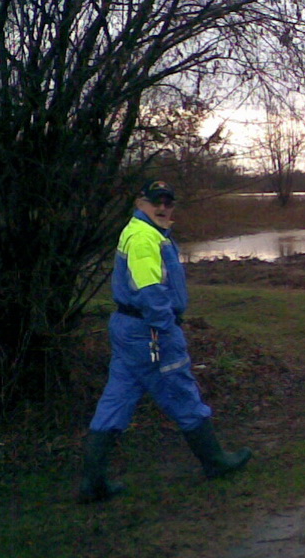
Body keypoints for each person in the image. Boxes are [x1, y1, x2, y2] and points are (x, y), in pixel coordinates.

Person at [78, 179, 251, 503]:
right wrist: (167, 328)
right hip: (150, 331)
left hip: (129, 329)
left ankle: (94, 481)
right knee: (181, 391)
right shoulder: (145, 237)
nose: (162, 207)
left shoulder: (143, 231)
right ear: (140, 202)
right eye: (155, 201)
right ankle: (215, 461)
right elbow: (149, 290)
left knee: (117, 398)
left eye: (168, 202)